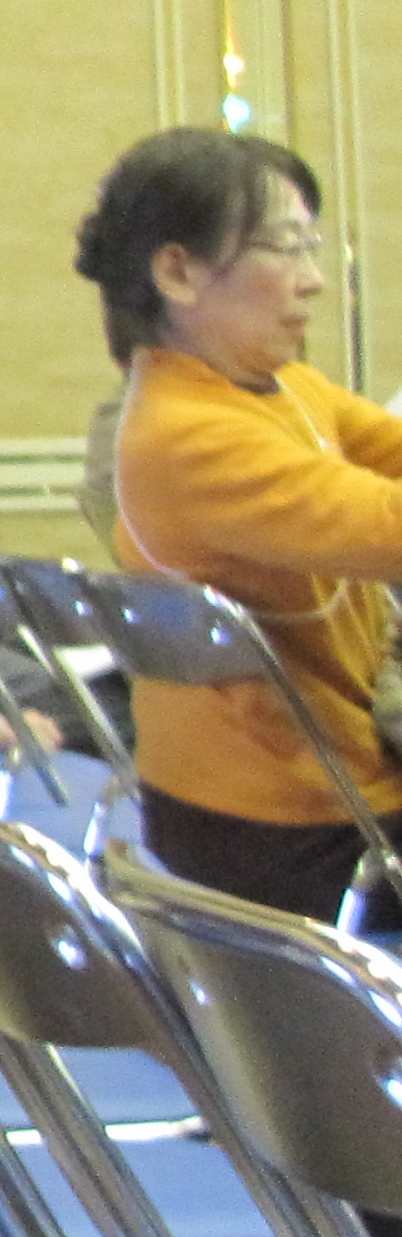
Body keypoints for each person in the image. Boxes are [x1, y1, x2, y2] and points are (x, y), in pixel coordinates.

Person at [79, 129, 402, 926]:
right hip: (297, 830)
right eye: (287, 248)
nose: (314, 279)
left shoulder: (277, 386)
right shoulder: (186, 432)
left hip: (311, 797)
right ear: (178, 272)